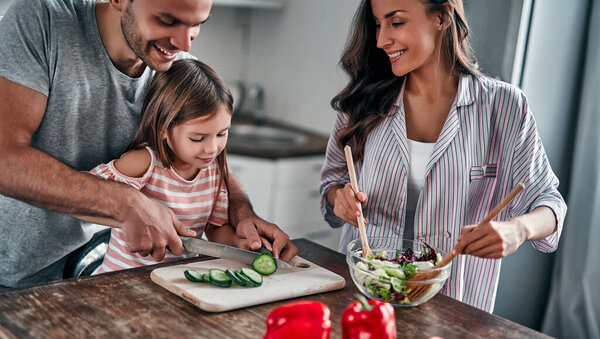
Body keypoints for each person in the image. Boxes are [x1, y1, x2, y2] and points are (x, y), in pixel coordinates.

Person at [0, 0, 297, 289]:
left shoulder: (175, 66)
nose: (185, 45)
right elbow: (4, 158)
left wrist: (243, 215)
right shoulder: (43, 20)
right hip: (13, 272)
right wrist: (126, 202)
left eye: (196, 25)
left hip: (92, 269)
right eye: (168, 20)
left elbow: (212, 167)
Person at [320, 0, 566, 312]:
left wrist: (519, 229)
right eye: (378, 24)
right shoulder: (362, 100)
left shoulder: (504, 106)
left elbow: (550, 204)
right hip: (365, 297)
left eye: (395, 23)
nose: (381, 39)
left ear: (440, 16)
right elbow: (332, 181)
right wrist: (338, 196)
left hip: (454, 307)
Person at [80, 59, 249, 272]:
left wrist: (240, 245)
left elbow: (216, 229)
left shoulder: (213, 170)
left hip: (177, 282)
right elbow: (87, 192)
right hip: (123, 281)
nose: (212, 148)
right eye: (198, 138)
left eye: (222, 134)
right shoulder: (144, 162)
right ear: (163, 130)